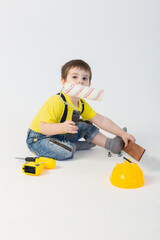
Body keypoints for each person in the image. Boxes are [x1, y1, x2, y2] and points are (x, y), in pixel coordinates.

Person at [26, 59, 136, 160]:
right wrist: (62, 127)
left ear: (89, 84)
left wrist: (122, 133)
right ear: (63, 82)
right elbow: (43, 128)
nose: (80, 81)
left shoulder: (82, 104)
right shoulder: (56, 101)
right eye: (75, 77)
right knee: (66, 151)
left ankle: (111, 144)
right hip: (40, 138)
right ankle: (74, 146)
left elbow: (101, 120)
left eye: (84, 78)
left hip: (61, 134)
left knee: (84, 126)